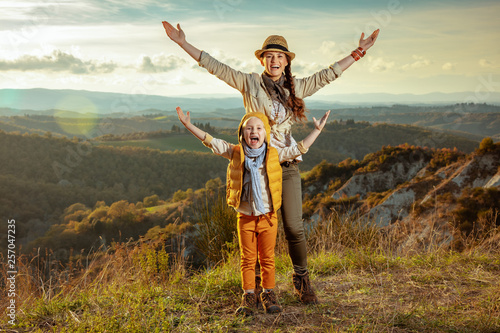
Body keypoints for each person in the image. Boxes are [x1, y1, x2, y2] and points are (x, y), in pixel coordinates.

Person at [163, 21, 379, 304]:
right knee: (253, 228)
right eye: (269, 55)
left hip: (285, 164)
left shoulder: (296, 87)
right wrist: (182, 43)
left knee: (293, 227)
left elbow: (328, 75)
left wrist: (358, 52)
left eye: (280, 56)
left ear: (287, 61)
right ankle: (253, 290)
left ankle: (302, 280)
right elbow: (215, 66)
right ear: (263, 59)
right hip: (256, 167)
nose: (274, 60)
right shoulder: (249, 82)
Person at [176, 106, 330, 315]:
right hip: (246, 218)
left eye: (258, 128)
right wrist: (188, 125)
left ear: (265, 134)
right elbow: (212, 141)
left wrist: (317, 131)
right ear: (242, 134)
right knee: (247, 259)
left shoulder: (274, 155)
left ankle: (268, 293)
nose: (253, 132)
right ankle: (249, 295)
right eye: (248, 128)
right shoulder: (235, 153)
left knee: (267, 258)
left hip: (268, 218)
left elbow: (298, 149)